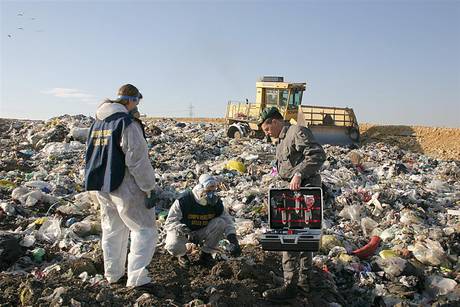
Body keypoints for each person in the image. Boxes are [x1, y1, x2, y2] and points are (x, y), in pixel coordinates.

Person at [84, 84, 159, 288]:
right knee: (145, 230)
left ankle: (113, 275)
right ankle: (137, 279)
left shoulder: (98, 123)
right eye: (137, 101)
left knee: (112, 230)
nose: (137, 106)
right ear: (130, 100)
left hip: (101, 185)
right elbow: (137, 159)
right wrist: (149, 187)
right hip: (124, 184)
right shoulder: (126, 123)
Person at [258, 107, 326, 300]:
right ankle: (302, 281)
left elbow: (317, 155)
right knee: (300, 236)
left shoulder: (297, 132)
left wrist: (299, 173)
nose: (266, 132)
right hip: (292, 192)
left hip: (305, 191)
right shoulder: (280, 141)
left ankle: (293, 285)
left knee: (294, 237)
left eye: (266, 128)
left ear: (274, 121)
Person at [164, 174, 241, 268]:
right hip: (184, 233)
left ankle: (206, 254)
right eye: (208, 191)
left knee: (221, 223)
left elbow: (227, 221)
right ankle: (181, 255)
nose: (211, 194)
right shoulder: (184, 200)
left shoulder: (216, 203)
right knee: (172, 245)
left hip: (202, 231)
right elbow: (170, 222)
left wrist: (233, 240)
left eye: (213, 191)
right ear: (200, 188)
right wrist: (185, 230)